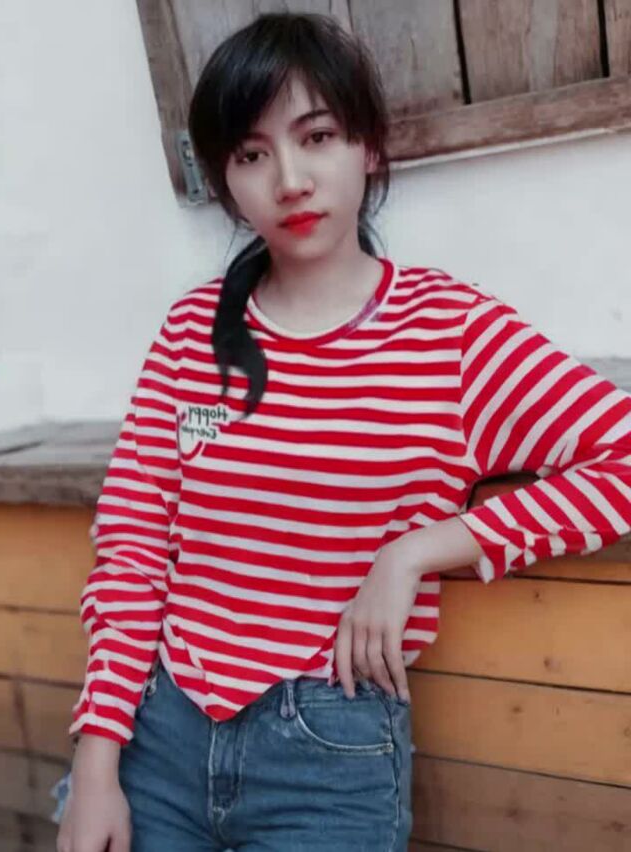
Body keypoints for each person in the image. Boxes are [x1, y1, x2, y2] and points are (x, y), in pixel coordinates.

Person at [54, 11, 631, 852]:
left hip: (330, 751)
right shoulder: (192, 333)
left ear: (367, 146)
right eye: (251, 154)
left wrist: (415, 550)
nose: (290, 180)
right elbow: (134, 547)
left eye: (316, 136)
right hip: (159, 730)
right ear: (226, 181)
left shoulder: (450, 333)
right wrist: (97, 763)